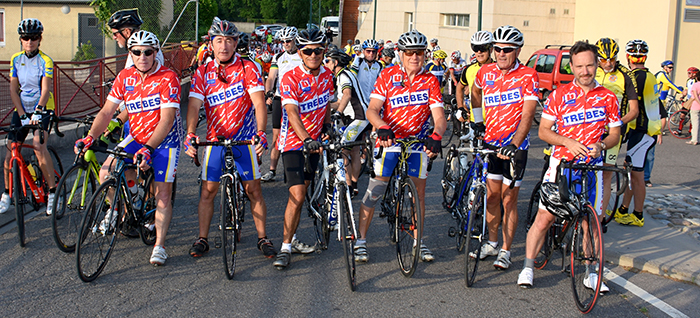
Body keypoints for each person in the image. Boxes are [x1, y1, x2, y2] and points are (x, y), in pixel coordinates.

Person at [517, 41, 621, 291]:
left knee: (591, 222)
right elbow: (544, 131)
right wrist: (567, 142)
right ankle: (528, 267)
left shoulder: (608, 97)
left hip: (592, 168)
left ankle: (591, 272)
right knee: (545, 218)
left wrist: (602, 145)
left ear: (597, 65)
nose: (585, 71)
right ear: (572, 67)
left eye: (590, 65)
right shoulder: (559, 95)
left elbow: (615, 134)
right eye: (580, 66)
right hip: (563, 167)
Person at [75, 30, 182, 265]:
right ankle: (131, 198)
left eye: (148, 52)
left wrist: (148, 148)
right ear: (130, 53)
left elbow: (166, 120)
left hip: (164, 141)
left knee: (162, 195)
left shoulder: (168, 78)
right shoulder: (125, 77)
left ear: (155, 53)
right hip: (137, 135)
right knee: (106, 171)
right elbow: (106, 111)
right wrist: (91, 137)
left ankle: (159, 246)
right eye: (136, 52)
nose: (142, 56)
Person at [182, 18, 274, 259]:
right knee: (208, 191)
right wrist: (191, 134)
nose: (223, 46)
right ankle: (202, 238)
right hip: (215, 139)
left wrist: (261, 133)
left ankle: (262, 237)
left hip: (244, 138)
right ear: (211, 44)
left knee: (253, 190)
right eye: (218, 41)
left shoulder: (248, 67)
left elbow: (258, 103)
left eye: (229, 41)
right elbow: (193, 106)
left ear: (235, 44)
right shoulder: (203, 71)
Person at [354, 29, 446, 263]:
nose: (414, 57)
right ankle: (361, 241)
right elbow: (372, 109)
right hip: (390, 140)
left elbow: (439, 116)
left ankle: (418, 241)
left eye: (419, 53)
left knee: (420, 195)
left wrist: (436, 136)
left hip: (417, 142)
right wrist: (382, 126)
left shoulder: (431, 80)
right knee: (375, 190)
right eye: (409, 53)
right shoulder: (387, 75)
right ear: (401, 54)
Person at [470, 25, 538, 270]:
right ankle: (492, 242)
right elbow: (475, 91)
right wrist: (478, 120)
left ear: (517, 50)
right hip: (491, 142)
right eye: (496, 48)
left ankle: (507, 251)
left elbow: (528, 114)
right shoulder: (485, 72)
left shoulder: (528, 75)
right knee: (492, 197)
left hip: (514, 148)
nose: (500, 53)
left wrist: (514, 144)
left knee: (509, 201)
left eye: (507, 50)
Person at [272, 29, 335, 270]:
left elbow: (327, 104)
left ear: (324, 51)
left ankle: (293, 237)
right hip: (293, 143)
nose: (313, 54)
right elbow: (291, 113)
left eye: (318, 50)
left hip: (314, 144)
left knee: (303, 193)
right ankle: (285, 246)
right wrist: (307, 138)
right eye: (307, 51)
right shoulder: (290, 77)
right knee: (297, 195)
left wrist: (327, 125)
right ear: (300, 52)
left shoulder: (328, 75)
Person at [1, 18, 58, 215]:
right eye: (26, 38)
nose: (29, 42)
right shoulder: (16, 59)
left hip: (42, 108)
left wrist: (37, 112)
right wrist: (22, 114)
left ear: (39, 39)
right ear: (21, 39)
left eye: (34, 38)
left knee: (38, 146)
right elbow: (13, 90)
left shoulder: (45, 60)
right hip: (22, 109)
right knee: (10, 153)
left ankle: (52, 193)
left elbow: (45, 90)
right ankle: (7, 193)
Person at [613, 40, 664, 227]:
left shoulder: (636, 77)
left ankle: (638, 214)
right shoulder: (648, 75)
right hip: (644, 131)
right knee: (631, 172)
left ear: (628, 57)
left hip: (642, 131)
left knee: (637, 176)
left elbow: (633, 106)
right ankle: (624, 209)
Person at [593, 37, 639, 216]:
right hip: (590, 130)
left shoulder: (626, 75)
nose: (608, 63)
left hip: (614, 132)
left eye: (611, 59)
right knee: (585, 169)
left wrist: (616, 123)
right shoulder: (591, 70)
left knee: (606, 174)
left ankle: (600, 216)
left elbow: (634, 110)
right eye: (604, 59)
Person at [324, 48, 371, 198]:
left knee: (342, 149)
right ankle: (354, 186)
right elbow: (339, 101)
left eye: (328, 61)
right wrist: (325, 106)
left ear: (335, 62)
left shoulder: (342, 76)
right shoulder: (348, 73)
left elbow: (346, 95)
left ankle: (348, 187)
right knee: (354, 152)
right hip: (361, 117)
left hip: (358, 118)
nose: (326, 64)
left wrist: (337, 113)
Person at [261, 27, 302, 183]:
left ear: (295, 40)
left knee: (301, 131)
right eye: (283, 41)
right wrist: (269, 92)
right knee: (277, 135)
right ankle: (272, 170)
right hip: (280, 98)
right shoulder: (278, 57)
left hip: (299, 99)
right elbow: (271, 77)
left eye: (288, 41)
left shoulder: (303, 56)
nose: (285, 44)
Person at [455, 31, 494, 122]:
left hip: (494, 121)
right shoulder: (469, 69)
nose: (479, 52)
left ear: (491, 49)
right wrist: (460, 107)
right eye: (476, 48)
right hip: (475, 120)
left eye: (483, 48)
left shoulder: (499, 69)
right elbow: (459, 87)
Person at [350, 39, 383, 113]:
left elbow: (381, 84)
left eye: (373, 51)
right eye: (368, 51)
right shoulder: (358, 61)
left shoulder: (379, 66)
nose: (371, 53)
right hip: (359, 103)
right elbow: (352, 78)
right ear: (363, 51)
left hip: (372, 103)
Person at [688, 79, 700, 145]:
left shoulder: (695, 85)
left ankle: (694, 140)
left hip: (695, 106)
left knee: (695, 123)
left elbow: (695, 96)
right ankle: (698, 138)